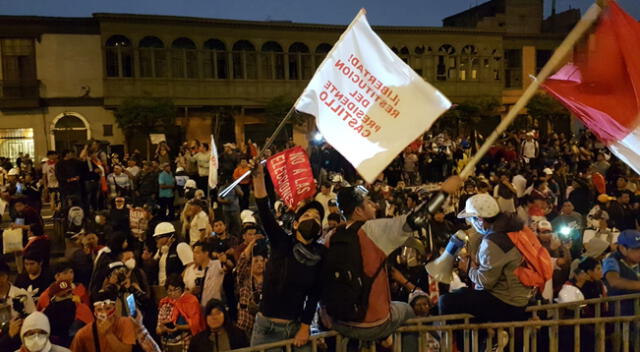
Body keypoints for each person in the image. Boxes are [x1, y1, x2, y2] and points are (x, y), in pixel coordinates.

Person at [320, 178, 458, 349]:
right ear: (358, 211)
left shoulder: (330, 236)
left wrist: (323, 309)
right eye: (368, 203)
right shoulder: (373, 231)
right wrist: (444, 191)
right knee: (407, 311)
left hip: (338, 321)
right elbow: (417, 219)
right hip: (372, 322)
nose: (374, 206)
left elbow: (320, 276)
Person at [249, 160, 326, 350]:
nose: (313, 220)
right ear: (296, 224)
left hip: (295, 329)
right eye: (307, 216)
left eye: (317, 218)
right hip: (265, 330)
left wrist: (305, 327)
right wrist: (259, 177)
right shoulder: (281, 242)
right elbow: (264, 211)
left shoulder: (321, 255)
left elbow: (314, 294)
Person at [441, 194, 532, 337]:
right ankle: (489, 336)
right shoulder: (512, 229)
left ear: (480, 219)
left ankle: (462, 344)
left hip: (508, 303)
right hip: (519, 296)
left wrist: (469, 267)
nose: (470, 223)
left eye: (471, 219)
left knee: (446, 301)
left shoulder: (493, 240)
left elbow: (485, 281)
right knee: (464, 295)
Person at [70, 288, 136, 352]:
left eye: (108, 308)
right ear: (94, 312)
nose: (105, 313)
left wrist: (109, 334)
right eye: (99, 310)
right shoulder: (83, 334)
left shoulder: (125, 323)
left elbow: (127, 350)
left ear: (115, 308)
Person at [156, 275, 203, 352]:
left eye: (176, 290)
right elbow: (158, 330)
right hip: (167, 345)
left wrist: (179, 327)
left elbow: (196, 325)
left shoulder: (190, 301)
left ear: (182, 289)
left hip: (186, 343)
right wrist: (163, 328)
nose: (173, 293)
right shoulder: (165, 303)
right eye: (170, 290)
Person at [42, 280, 93, 347]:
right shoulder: (46, 313)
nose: (67, 297)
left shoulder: (82, 308)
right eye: (62, 296)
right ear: (53, 299)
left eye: (69, 293)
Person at [602, 230, 640, 316]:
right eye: (636, 249)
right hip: (621, 314)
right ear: (623, 248)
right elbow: (614, 281)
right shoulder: (612, 260)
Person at [192, 241, 224, 308]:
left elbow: (227, 267)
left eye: (197, 253)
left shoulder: (216, 264)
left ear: (206, 253)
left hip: (215, 307)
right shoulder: (193, 270)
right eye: (193, 252)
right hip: (200, 307)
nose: (194, 255)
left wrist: (224, 261)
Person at [152, 223, 183, 287]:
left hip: (174, 287)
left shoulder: (180, 247)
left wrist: (177, 281)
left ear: (169, 237)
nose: (157, 240)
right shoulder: (160, 251)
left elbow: (189, 267)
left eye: (158, 238)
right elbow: (152, 266)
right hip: (162, 286)